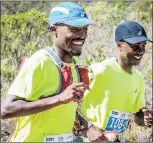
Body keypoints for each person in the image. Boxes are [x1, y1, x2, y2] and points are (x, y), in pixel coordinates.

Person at [1, 2, 95, 142]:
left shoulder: (73, 65)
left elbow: (60, 104)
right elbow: (6, 109)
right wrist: (60, 98)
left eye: (85, 29)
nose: (82, 35)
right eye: (75, 29)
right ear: (54, 29)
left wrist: (79, 120)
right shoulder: (41, 61)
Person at [80, 21, 153, 142]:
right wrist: (89, 128)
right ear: (119, 45)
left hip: (113, 139)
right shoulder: (100, 70)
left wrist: (145, 118)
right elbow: (68, 102)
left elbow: (137, 116)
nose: (140, 51)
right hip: (88, 139)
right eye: (135, 46)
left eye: (143, 46)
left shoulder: (138, 78)